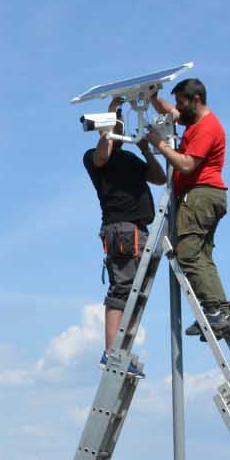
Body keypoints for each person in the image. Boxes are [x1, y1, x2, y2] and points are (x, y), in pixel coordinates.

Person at [148, 77, 230, 339]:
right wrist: (154, 99)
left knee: (187, 254)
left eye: (181, 102)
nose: (178, 107)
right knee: (202, 257)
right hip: (206, 196)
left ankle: (214, 312)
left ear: (195, 100)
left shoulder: (207, 127)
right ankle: (221, 313)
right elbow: (171, 113)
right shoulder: (197, 120)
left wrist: (159, 145)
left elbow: (187, 164)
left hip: (200, 196)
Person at [83, 96, 166, 363]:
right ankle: (112, 352)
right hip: (122, 230)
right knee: (122, 289)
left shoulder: (129, 157)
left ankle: (120, 350)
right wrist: (110, 115)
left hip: (138, 230)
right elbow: (102, 154)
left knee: (132, 291)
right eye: (115, 127)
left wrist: (145, 149)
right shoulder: (95, 157)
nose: (120, 131)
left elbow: (159, 177)